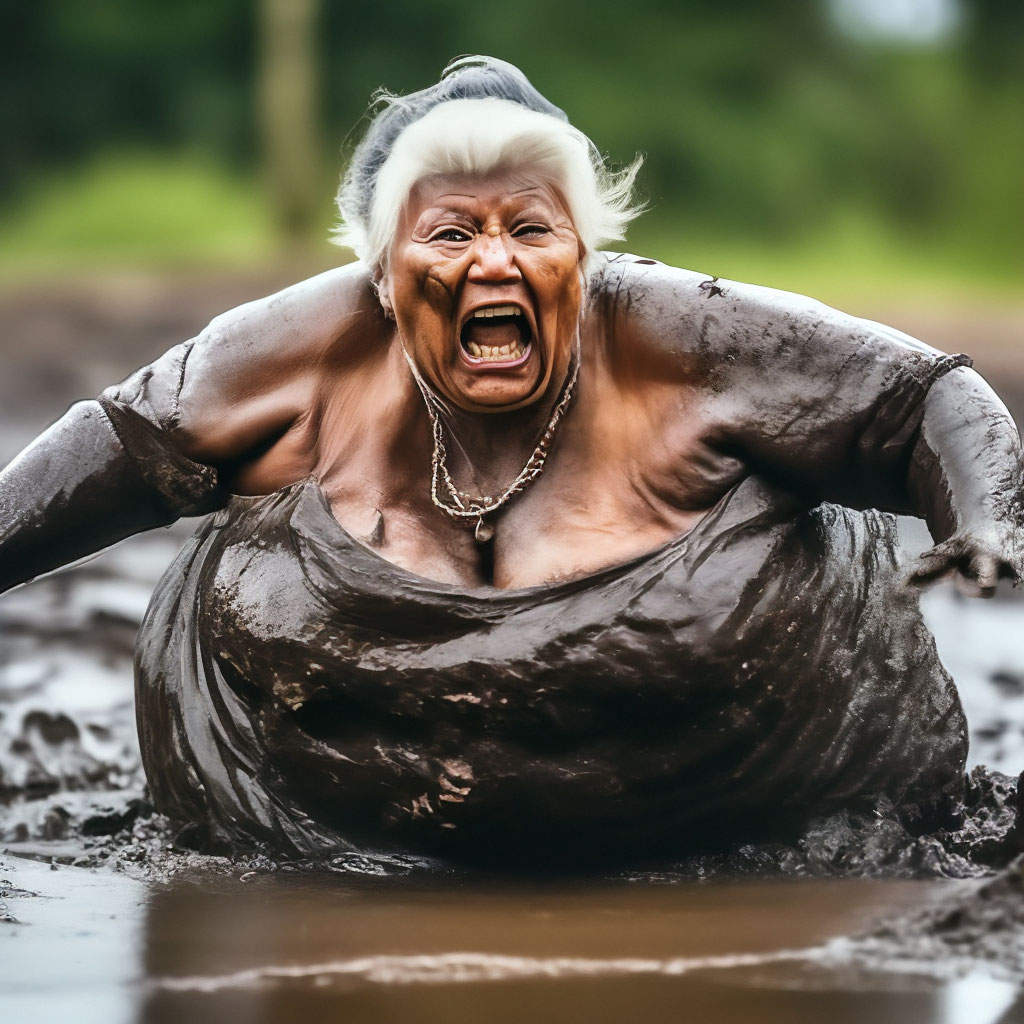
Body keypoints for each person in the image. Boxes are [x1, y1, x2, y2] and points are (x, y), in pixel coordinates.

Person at [1, 57, 1021, 865]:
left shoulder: (685, 336)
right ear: (386, 277)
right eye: (451, 232)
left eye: (530, 227)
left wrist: (985, 524)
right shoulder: (301, 347)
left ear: (581, 256)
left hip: (734, 802)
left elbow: (919, 398)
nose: (495, 260)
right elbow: (122, 444)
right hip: (331, 823)